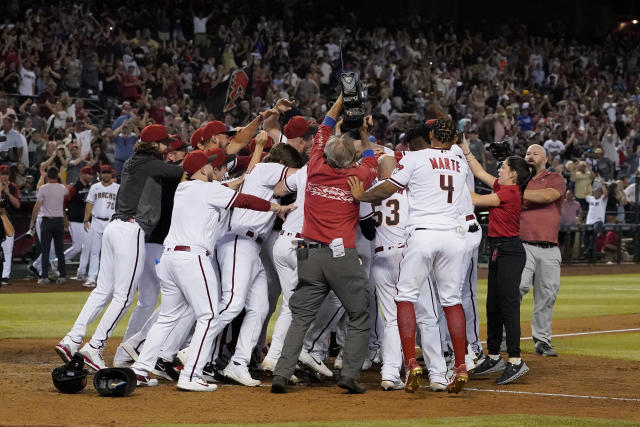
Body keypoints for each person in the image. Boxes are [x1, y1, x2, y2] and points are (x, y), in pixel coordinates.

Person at [130, 147, 292, 390]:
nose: (214, 167)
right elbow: (245, 200)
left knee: (167, 317)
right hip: (192, 258)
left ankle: (140, 370)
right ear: (203, 168)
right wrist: (276, 207)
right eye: (210, 164)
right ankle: (191, 375)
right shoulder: (208, 190)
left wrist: (245, 177)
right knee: (208, 316)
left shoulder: (184, 188)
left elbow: (230, 189)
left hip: (170, 259)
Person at [348, 119, 471, 394]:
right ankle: (456, 367)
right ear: (454, 138)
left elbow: (387, 188)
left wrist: (362, 196)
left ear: (430, 135)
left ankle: (408, 363)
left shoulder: (414, 159)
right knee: (449, 303)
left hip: (419, 239)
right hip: (452, 236)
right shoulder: (460, 160)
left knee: (403, 300)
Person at [54, 124, 184, 372]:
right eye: (164, 142)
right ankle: (95, 346)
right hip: (130, 229)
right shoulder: (149, 163)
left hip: (114, 228)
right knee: (123, 297)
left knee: (102, 291)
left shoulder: (136, 161)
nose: (167, 147)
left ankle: (72, 338)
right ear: (154, 144)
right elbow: (182, 171)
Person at [271, 94, 377, 395]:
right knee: (358, 314)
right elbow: (373, 163)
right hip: (341, 255)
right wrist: (365, 136)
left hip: (309, 254)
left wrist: (341, 100)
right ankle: (350, 375)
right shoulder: (358, 175)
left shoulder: (315, 165)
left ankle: (281, 373)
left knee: (300, 317)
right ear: (350, 159)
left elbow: (326, 127)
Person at [460, 135, 535, 385]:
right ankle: (494, 355)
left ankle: (515, 358)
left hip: (510, 251)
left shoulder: (511, 192)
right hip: (497, 250)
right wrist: (466, 151)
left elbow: (476, 199)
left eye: (503, 167)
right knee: (493, 305)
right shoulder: (504, 187)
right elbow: (480, 171)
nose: (499, 168)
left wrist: (449, 182)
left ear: (513, 174)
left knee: (508, 305)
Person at [518, 144, 566, 357]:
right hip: (523, 245)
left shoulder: (555, 178)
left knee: (547, 295)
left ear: (545, 158)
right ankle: (502, 338)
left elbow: (547, 197)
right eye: (527, 153)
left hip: (549, 247)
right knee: (516, 288)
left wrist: (517, 193)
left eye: (535, 153)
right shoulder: (518, 180)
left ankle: (542, 341)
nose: (530, 156)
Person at [29, 166, 69, 284]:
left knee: (45, 250)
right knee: (59, 250)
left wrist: (32, 221)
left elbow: (37, 207)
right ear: (57, 175)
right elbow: (67, 191)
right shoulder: (62, 188)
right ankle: (62, 276)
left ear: (47, 176)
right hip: (58, 221)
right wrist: (63, 178)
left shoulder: (43, 188)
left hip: (46, 221)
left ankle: (44, 277)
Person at [82, 165, 120, 288]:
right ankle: (92, 277)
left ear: (112, 174)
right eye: (104, 172)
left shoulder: (118, 188)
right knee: (94, 251)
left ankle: (111, 279)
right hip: (97, 221)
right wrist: (86, 219)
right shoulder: (95, 187)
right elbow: (89, 203)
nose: (106, 175)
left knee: (112, 252)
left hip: (112, 222)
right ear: (100, 174)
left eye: (108, 172)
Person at [61, 166, 94, 280]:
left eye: (91, 174)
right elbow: (64, 203)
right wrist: (65, 218)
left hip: (86, 221)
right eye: (88, 174)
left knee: (87, 248)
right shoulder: (74, 188)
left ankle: (81, 273)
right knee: (77, 247)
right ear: (82, 174)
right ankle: (57, 262)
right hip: (74, 221)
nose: (90, 176)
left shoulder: (91, 188)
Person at [0, 164, 20, 285]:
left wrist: (7, 192)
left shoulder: (12, 187)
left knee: (7, 251)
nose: (4, 177)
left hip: (7, 221)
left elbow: (17, 204)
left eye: (6, 174)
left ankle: (5, 276)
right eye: (2, 174)